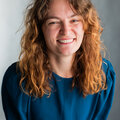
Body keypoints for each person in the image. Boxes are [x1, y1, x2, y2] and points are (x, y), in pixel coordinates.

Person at [1, 0, 116, 120]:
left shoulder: (103, 74)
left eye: (74, 20)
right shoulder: (17, 80)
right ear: (40, 29)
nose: (66, 31)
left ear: (86, 25)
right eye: (54, 22)